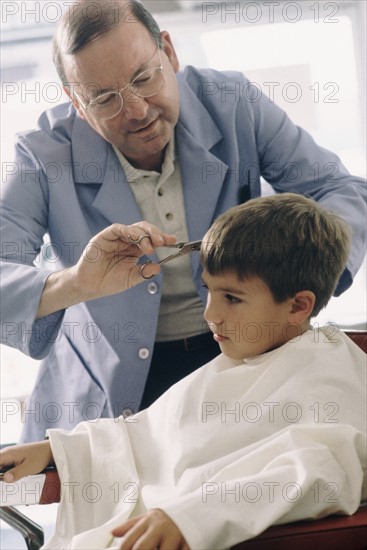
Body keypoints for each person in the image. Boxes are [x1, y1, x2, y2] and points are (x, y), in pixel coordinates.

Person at [1, 0, 366, 443]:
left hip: (242, 362)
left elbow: (343, 192)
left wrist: (298, 275)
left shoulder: (234, 104)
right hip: (106, 396)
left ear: (169, 53)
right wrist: (77, 283)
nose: (136, 110)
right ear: (77, 103)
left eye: (144, 78)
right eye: (104, 98)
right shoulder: (41, 155)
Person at [1, 193, 366, 550]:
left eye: (232, 298)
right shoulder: (236, 365)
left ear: (298, 305)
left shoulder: (329, 375)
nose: (210, 314)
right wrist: (56, 452)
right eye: (209, 292)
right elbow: (147, 439)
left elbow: (323, 467)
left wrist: (193, 517)